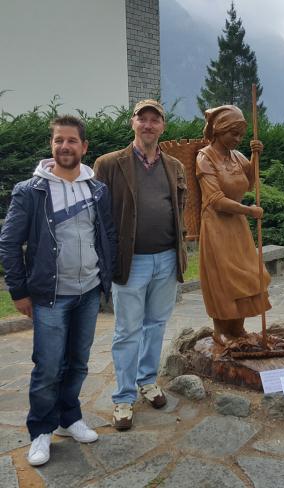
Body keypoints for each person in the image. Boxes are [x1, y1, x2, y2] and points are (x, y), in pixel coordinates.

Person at [0, 115, 116, 466]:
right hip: (50, 295)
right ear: (52, 146)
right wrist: (19, 291)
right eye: (58, 140)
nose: (64, 146)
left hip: (88, 291)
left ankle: (69, 417)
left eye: (71, 140)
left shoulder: (97, 189)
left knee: (78, 364)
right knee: (48, 367)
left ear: (84, 147)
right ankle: (41, 431)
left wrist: (106, 280)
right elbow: (9, 243)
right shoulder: (31, 191)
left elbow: (106, 235)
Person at [94, 99, 187, 430]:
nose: (148, 125)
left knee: (156, 325)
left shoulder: (174, 165)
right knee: (127, 330)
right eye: (142, 119)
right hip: (130, 262)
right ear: (132, 123)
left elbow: (180, 207)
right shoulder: (108, 164)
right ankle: (123, 397)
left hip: (165, 258)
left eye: (155, 120)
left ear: (163, 126)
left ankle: (147, 381)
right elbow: (98, 216)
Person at [196, 105, 270, 345]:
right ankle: (221, 330)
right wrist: (248, 210)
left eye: (241, 134)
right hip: (217, 226)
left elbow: (249, 184)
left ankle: (238, 328)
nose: (238, 139)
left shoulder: (237, 156)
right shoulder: (205, 157)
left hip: (237, 226)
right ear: (218, 130)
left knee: (249, 274)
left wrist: (255, 157)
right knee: (224, 279)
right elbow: (215, 200)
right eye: (233, 134)